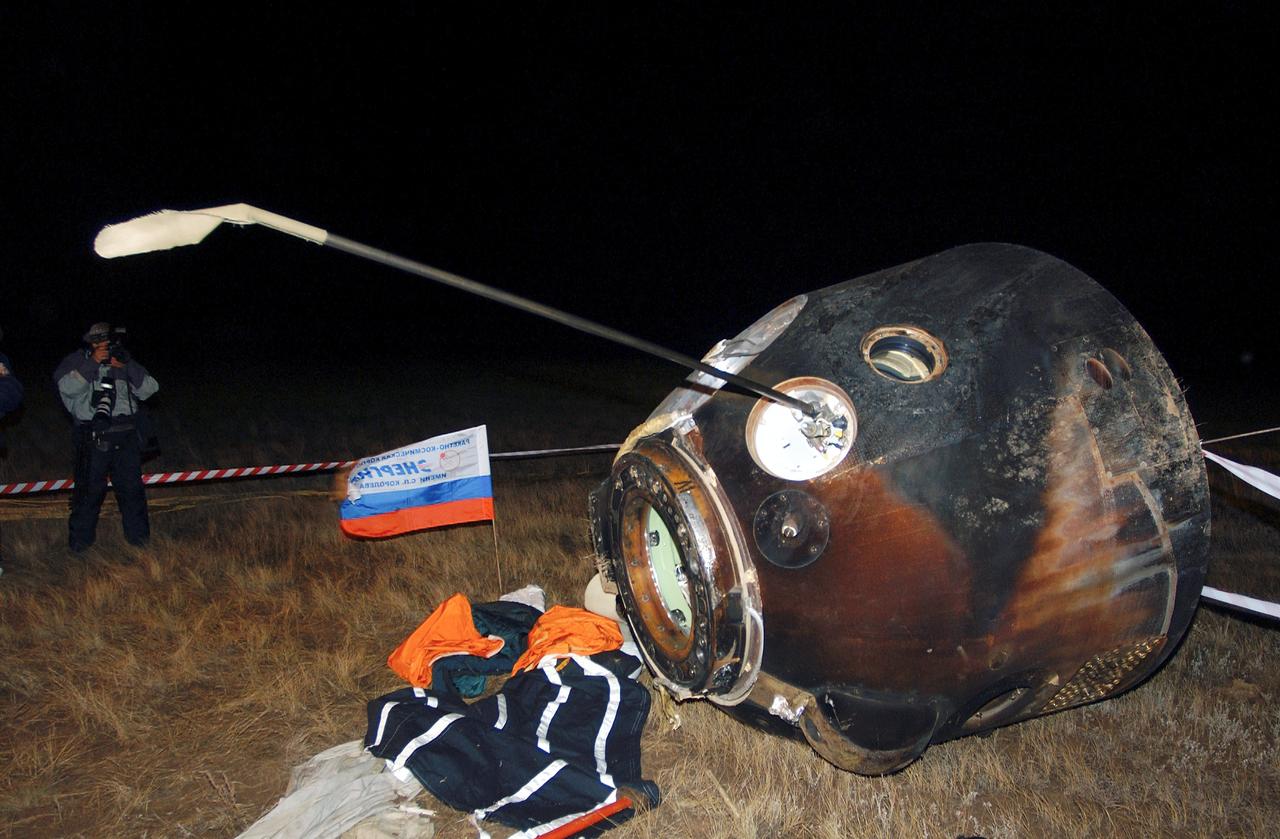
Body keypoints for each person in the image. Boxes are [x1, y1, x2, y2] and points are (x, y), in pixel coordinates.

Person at [54, 323, 159, 552]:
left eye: (107, 341)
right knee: (88, 493)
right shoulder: (75, 361)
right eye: (97, 341)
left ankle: (139, 542)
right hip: (91, 435)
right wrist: (92, 363)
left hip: (125, 434)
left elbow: (150, 389)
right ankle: (80, 547)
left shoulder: (123, 360)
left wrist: (127, 365)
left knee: (132, 491)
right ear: (89, 342)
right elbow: (66, 389)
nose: (104, 345)